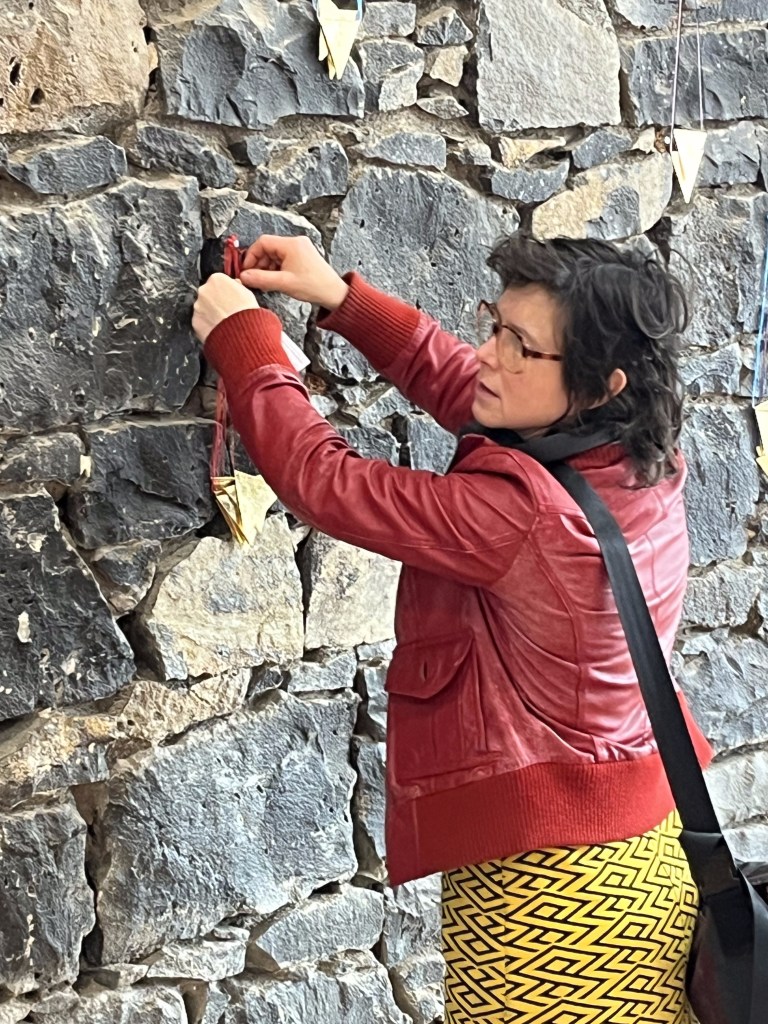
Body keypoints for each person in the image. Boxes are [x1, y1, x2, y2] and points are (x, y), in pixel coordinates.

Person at [192, 233, 713, 1024]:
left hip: (552, 896)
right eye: (494, 325)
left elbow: (329, 484)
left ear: (600, 384)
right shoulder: (637, 451)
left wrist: (247, 345)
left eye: (519, 345)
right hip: (644, 844)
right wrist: (343, 301)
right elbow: (473, 387)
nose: (488, 354)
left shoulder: (526, 514)